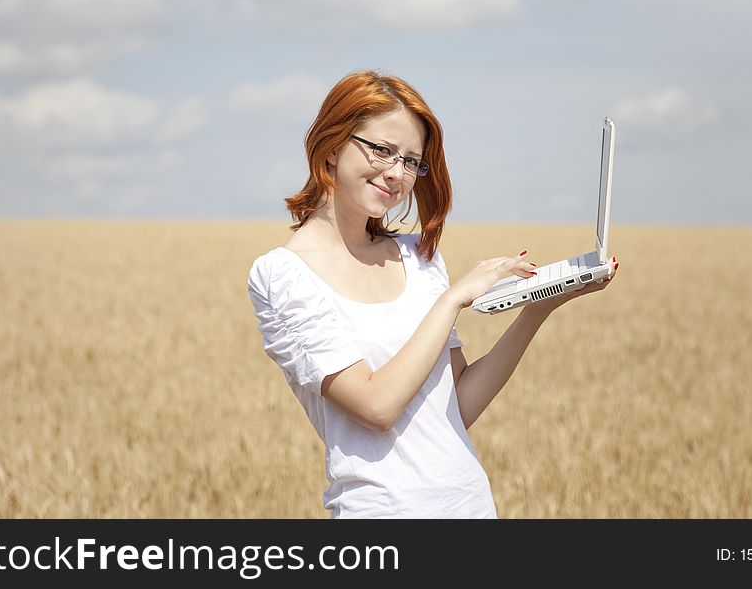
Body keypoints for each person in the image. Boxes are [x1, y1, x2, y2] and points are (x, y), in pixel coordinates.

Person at [247, 69, 618, 518]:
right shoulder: (283, 275)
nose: (396, 173)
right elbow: (375, 405)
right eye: (383, 150)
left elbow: (458, 403)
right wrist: (451, 301)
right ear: (330, 146)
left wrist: (538, 309)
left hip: (471, 508)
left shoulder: (417, 257)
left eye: (410, 161)